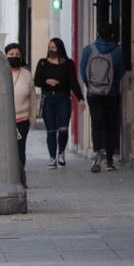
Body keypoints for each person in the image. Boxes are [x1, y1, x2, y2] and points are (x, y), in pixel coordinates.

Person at [80, 22, 126, 172]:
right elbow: (120, 73)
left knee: (96, 124)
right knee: (110, 125)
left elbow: (83, 72)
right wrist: (110, 86)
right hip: (111, 94)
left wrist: (92, 86)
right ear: (113, 35)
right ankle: (110, 160)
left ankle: (97, 154)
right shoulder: (118, 52)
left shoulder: (88, 50)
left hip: (93, 94)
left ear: (98, 33)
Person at [34, 38, 84, 169]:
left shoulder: (68, 63)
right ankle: (52, 158)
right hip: (48, 98)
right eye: (50, 47)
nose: (51, 50)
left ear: (60, 48)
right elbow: (36, 80)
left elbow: (73, 82)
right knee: (51, 130)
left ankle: (61, 152)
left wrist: (81, 99)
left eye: (54, 47)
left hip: (63, 98)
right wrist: (47, 81)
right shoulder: (43, 63)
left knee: (63, 128)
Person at [5, 42, 35, 177]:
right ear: (5, 56)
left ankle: (20, 176)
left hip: (22, 119)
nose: (14, 57)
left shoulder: (27, 75)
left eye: (17, 54)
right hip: (4, 119)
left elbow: (33, 99)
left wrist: (32, 118)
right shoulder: (0, 73)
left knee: (20, 148)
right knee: (7, 149)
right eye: (11, 54)